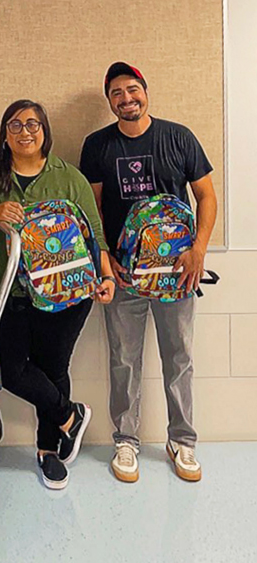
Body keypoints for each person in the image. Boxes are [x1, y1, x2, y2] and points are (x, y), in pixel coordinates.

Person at [0, 99, 116, 491]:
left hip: (66, 293)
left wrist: (106, 276)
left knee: (53, 367)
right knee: (1, 366)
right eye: (16, 124)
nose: (25, 132)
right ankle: (68, 415)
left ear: (45, 131)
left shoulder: (67, 177)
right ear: (4, 133)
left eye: (33, 124)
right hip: (3, 289)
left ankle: (48, 450)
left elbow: (95, 234)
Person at [80, 62, 217, 483]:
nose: (126, 99)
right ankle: (126, 440)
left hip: (178, 271)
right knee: (124, 359)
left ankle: (183, 440)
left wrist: (198, 251)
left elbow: (207, 196)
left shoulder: (179, 137)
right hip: (124, 275)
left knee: (180, 357)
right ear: (110, 101)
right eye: (117, 93)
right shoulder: (98, 145)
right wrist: (107, 261)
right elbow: (94, 210)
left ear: (145, 91)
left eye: (132, 89)